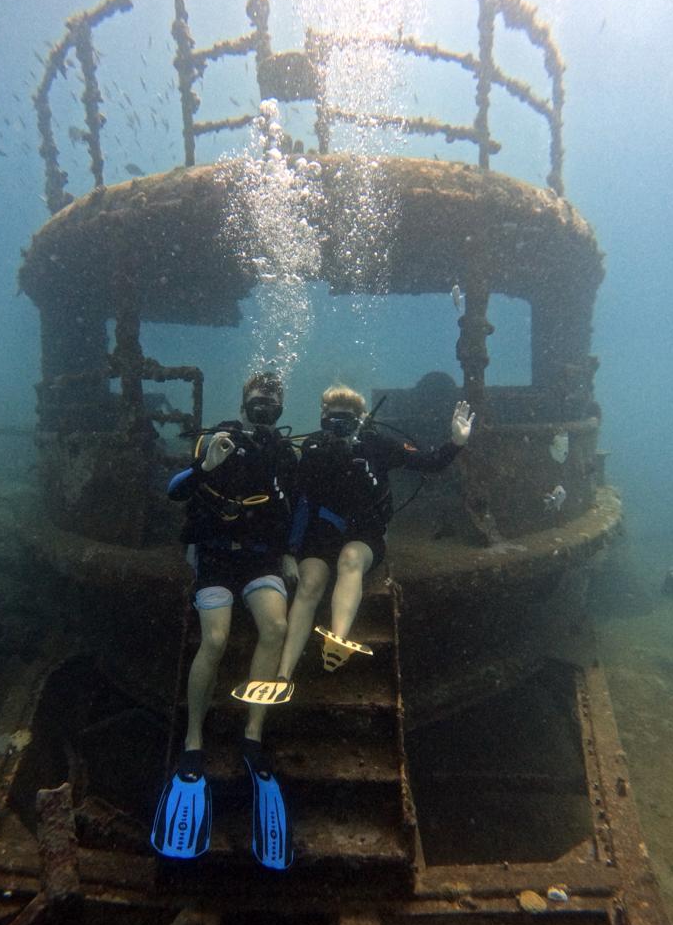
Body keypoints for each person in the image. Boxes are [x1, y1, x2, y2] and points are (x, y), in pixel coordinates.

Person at [150, 371, 297, 869]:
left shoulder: (283, 452)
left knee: (274, 627)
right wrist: (206, 467)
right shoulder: (217, 438)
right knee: (214, 640)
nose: (264, 408)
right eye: (258, 400)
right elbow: (174, 492)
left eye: (272, 403)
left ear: (279, 409)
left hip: (260, 560)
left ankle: (252, 735)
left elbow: (294, 507)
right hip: (214, 557)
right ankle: (194, 739)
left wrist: (293, 553)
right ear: (244, 402)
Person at [276, 385, 474, 688]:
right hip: (322, 534)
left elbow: (429, 462)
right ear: (322, 418)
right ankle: (283, 674)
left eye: (347, 420)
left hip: (364, 535)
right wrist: (290, 551)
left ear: (361, 419)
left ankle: (338, 638)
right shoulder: (312, 449)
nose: (338, 428)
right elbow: (301, 500)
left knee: (351, 559)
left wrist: (456, 442)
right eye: (332, 421)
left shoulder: (377, 444)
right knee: (310, 583)